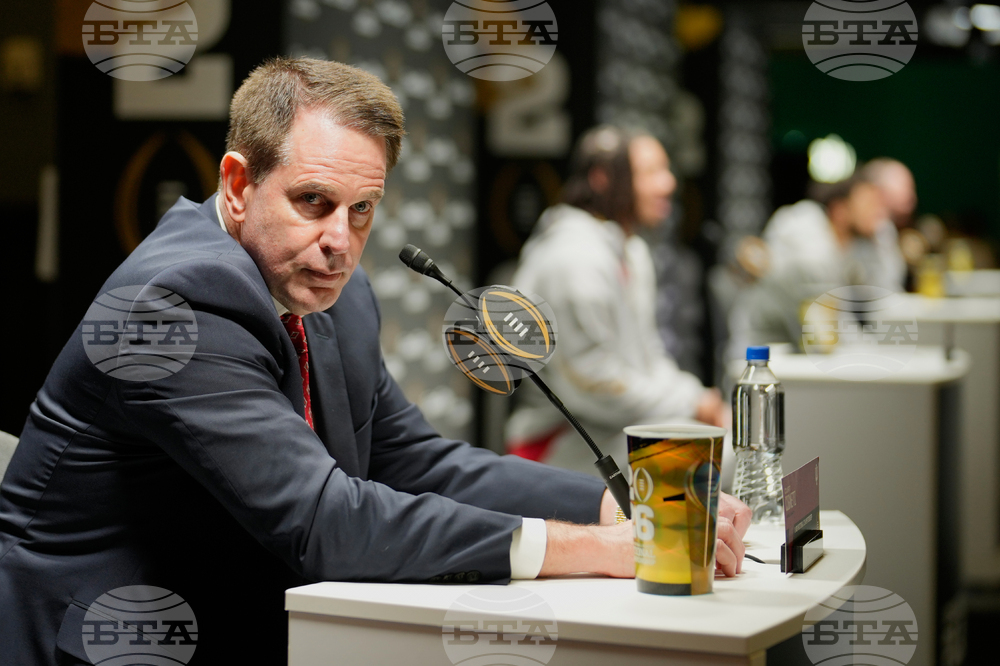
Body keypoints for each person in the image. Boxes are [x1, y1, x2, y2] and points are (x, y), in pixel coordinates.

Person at [0, 59, 750, 666]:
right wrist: (600, 553)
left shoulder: (335, 291)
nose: (341, 240)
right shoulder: (170, 310)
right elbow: (325, 520)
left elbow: (414, 459)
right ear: (237, 184)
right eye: (314, 201)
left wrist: (623, 507)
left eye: (363, 210)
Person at [505, 126, 728, 477]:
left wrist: (695, 398)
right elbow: (594, 384)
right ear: (602, 178)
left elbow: (649, 358)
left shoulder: (631, 250)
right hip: (557, 442)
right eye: (650, 172)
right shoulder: (573, 258)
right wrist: (691, 403)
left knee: (725, 442)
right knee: (717, 459)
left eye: (665, 170)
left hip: (610, 429)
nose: (668, 183)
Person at [727, 174, 889, 354]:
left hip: (790, 349)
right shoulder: (811, 254)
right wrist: (879, 353)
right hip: (760, 357)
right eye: (869, 204)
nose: (879, 214)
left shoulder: (846, 248)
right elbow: (825, 333)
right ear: (839, 211)